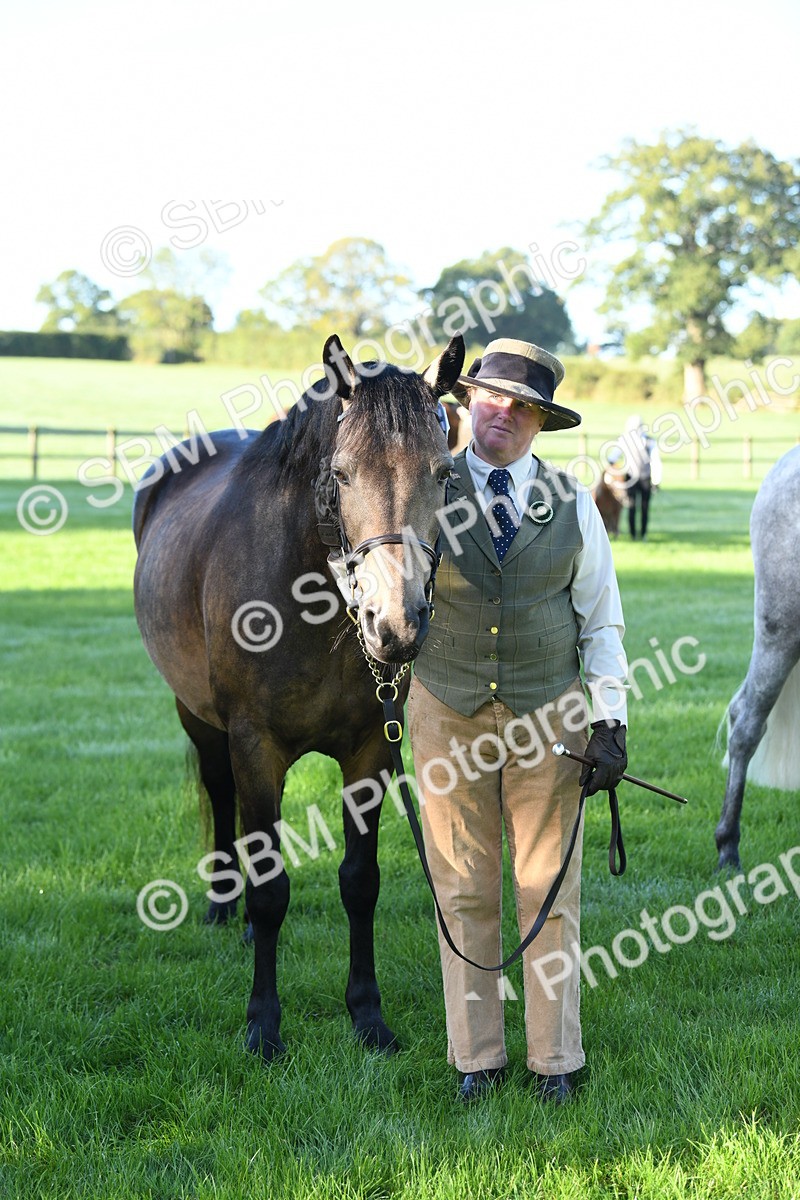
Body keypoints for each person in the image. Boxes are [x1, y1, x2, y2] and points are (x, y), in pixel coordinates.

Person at [407, 338, 628, 1104]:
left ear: (541, 421)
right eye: (492, 396)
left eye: (522, 403)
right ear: (468, 401)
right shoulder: (420, 491)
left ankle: (555, 1060)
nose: (504, 411)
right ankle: (475, 1059)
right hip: (446, 709)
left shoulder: (573, 505)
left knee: (549, 888)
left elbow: (601, 621)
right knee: (462, 884)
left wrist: (611, 721)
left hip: (551, 718)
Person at [619, 414, 662, 540]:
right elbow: (656, 461)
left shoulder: (647, 441)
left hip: (642, 478)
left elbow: (655, 462)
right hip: (633, 478)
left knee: (643, 508)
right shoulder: (626, 440)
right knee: (634, 507)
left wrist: (656, 480)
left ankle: (641, 534)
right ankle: (635, 534)